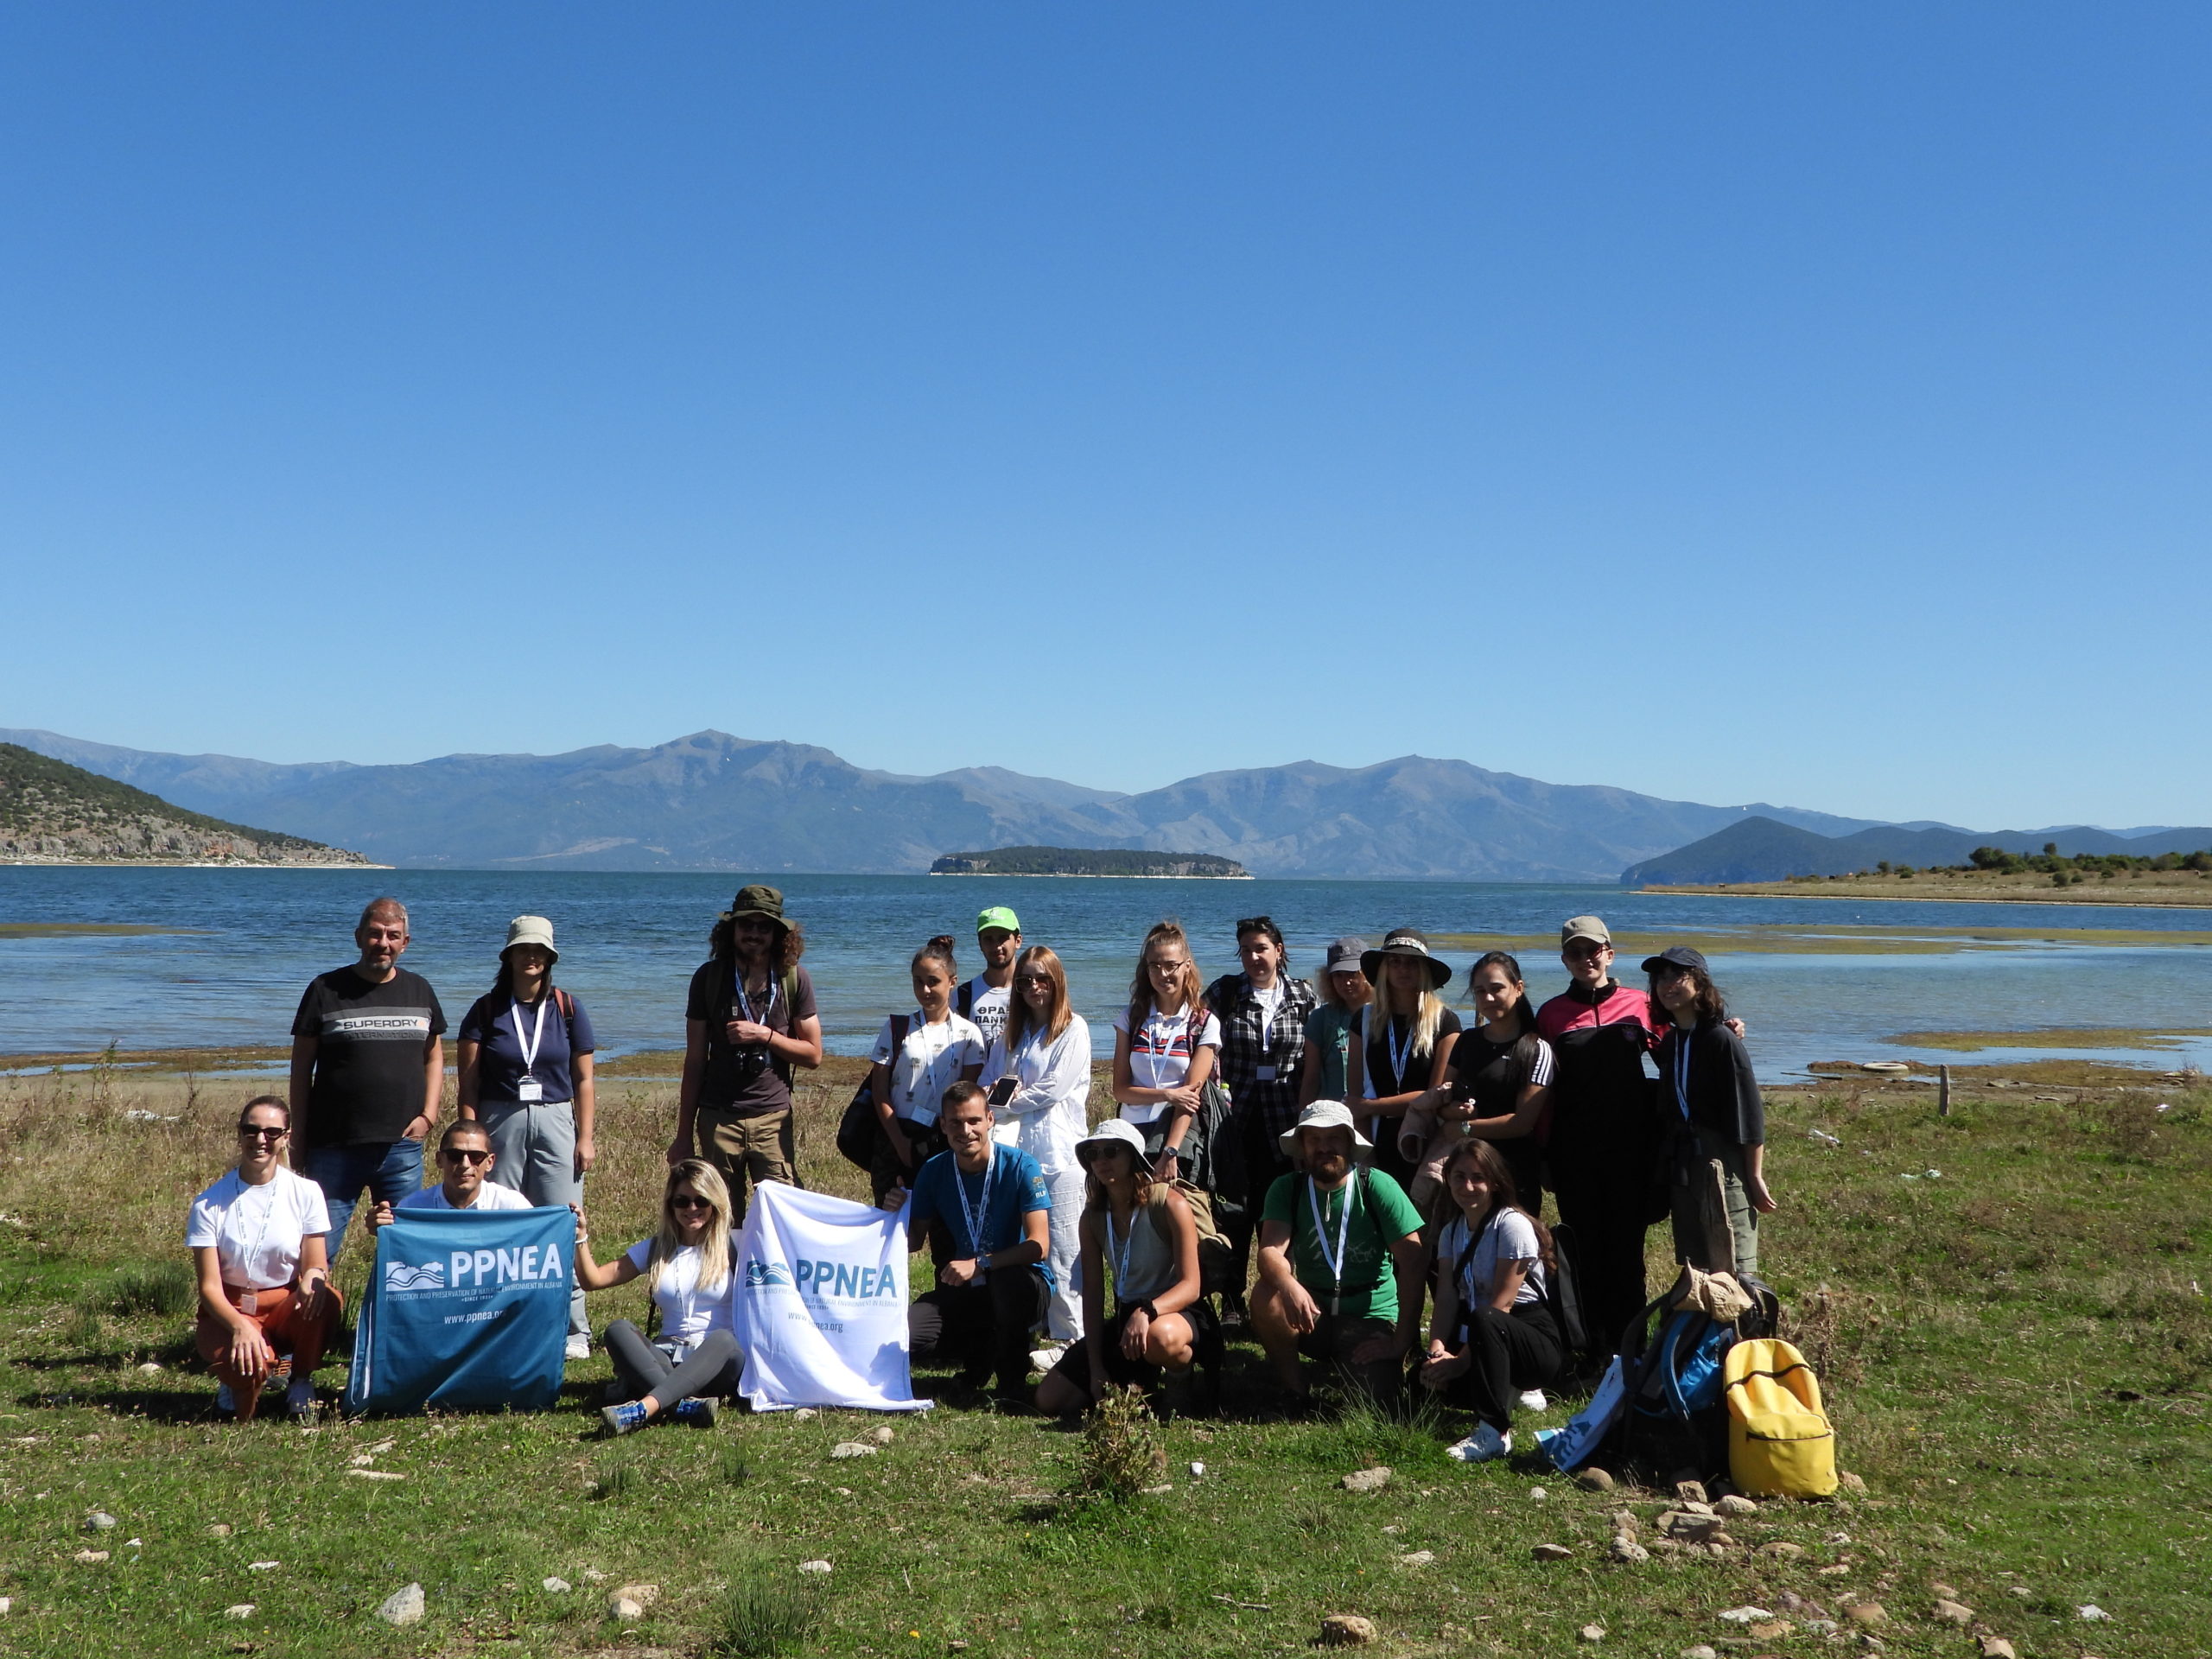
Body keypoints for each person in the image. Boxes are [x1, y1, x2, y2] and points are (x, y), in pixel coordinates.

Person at [457, 914, 597, 1357]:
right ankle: (496, 1322)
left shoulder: (569, 1008)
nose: (532, 956)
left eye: (540, 950)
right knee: (498, 1222)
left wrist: (586, 1136)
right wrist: (469, 1141)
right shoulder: (484, 1010)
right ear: (510, 955)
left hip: (557, 1118)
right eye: (524, 949)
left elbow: (585, 1081)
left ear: (550, 957)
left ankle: (574, 1329)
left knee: (562, 1219)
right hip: (499, 1121)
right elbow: (469, 1085)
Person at [289, 897, 447, 1259]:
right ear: (358, 937)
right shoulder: (324, 989)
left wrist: (429, 1114)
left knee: (406, 1253)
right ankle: (315, 1315)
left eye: (393, 936)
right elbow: (301, 1067)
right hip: (333, 1146)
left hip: (402, 1147)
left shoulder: (420, 990)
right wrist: (298, 1134)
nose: (384, 943)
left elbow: (434, 1055)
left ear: (405, 942)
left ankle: (392, 1318)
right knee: (316, 1251)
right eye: (375, 934)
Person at [1535, 915, 1663, 1357]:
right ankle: (1589, 1349)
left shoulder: (1641, 1003)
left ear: (1609, 953)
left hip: (1630, 1151)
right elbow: (1543, 1091)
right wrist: (1545, 1153)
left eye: (1593, 950)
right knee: (1583, 1253)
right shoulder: (1551, 1014)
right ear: (1564, 959)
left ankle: (1631, 1352)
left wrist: (1724, 1028)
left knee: (1627, 1254)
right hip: (1574, 1154)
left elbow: (1677, 1051)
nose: (1585, 958)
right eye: (1575, 951)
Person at [1250, 1101, 1426, 1407]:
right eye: (1314, 1139)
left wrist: (1401, 1342)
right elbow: (1268, 1253)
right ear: (1302, 1146)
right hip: (1311, 1311)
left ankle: (1364, 1365)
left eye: (1334, 1138)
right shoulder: (1287, 1188)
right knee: (1267, 1294)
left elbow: (1413, 1262)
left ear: (1349, 1143)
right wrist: (1290, 1286)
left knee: (1375, 1402)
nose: (1324, 1147)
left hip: (1369, 1316)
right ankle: (1296, 1390)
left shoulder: (1378, 1186)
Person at [671, 886, 824, 1223]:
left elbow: (813, 1055)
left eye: (763, 927)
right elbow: (695, 1061)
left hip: (772, 1118)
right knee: (720, 1218)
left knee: (780, 1214)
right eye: (746, 926)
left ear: (778, 934)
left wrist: (765, 1035)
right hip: (717, 1118)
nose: (754, 934)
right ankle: (724, 1275)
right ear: (732, 930)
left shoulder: (794, 980)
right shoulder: (708, 979)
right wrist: (683, 1136)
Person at [894, 1082, 1052, 1404]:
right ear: (943, 1125)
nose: (965, 1131)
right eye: (955, 1122)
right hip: (967, 1287)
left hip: (1022, 1282)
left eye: (973, 1121)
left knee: (1006, 1286)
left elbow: (1039, 1246)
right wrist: (894, 1214)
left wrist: (981, 1263)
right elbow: (911, 1242)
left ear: (990, 1120)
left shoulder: (1022, 1166)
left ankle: (1011, 1382)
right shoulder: (933, 1171)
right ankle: (983, 1352)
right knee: (907, 1336)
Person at [186, 1096, 340, 1421]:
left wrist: (314, 1280)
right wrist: (240, 1326)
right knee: (250, 1372)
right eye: (251, 1131)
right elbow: (209, 1288)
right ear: (240, 1134)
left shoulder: (306, 1192)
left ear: (286, 1137)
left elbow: (315, 1262)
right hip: (230, 1308)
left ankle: (300, 1378)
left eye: (272, 1133)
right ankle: (240, 1377)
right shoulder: (208, 1203)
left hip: (283, 1304)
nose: (260, 1140)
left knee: (325, 1297)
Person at [1035, 1120, 1203, 1415]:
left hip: (1177, 1314)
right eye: (1093, 1155)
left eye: (1111, 1151)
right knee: (1049, 1399)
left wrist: (1147, 1310)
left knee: (1161, 1338)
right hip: (1128, 1318)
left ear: (1133, 1157)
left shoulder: (1169, 1204)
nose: (1101, 1161)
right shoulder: (1093, 1217)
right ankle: (1133, 1389)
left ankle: (1180, 1382)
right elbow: (1093, 1292)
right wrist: (1096, 1365)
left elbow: (1192, 1286)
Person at [1418, 1138, 1564, 1462]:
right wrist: (1437, 1349)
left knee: (1486, 1317)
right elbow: (1445, 1299)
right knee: (1420, 1379)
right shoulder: (1451, 1232)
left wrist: (1459, 1362)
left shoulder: (1511, 1225)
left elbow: (1503, 1306)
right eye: (1459, 1176)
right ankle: (1500, 1390)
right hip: (1482, 1333)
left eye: (1478, 1177)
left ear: (1495, 1183)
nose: (1467, 1186)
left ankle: (1493, 1432)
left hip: (1529, 1336)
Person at [574, 1161, 741, 1434]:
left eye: (701, 1200)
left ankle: (644, 1409)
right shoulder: (658, 1247)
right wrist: (581, 1237)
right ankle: (683, 1405)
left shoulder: (736, 1244)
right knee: (618, 1330)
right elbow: (593, 1280)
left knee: (724, 1340)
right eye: (682, 1201)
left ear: (715, 1202)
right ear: (670, 1205)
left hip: (718, 1362)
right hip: (668, 1358)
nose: (691, 1209)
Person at [1205, 916, 1316, 1324]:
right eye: (1247, 950)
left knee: (1284, 1213)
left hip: (1286, 1121)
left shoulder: (1303, 996)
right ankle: (1232, 1301)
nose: (1254, 957)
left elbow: (1315, 1057)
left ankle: (1283, 1298)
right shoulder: (1226, 992)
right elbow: (1200, 1039)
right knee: (1235, 1212)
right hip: (1238, 1120)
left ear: (1279, 951)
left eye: (1261, 949)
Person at [980, 944, 1091, 1344]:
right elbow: (989, 1079)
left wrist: (1004, 1103)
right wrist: (992, 1095)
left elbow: (1051, 1090)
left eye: (1042, 978)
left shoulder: (1073, 1029)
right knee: (1020, 1244)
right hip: (1016, 1154)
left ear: (1056, 980)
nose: (1033, 987)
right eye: (1025, 980)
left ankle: (1070, 1338)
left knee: (1063, 1249)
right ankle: (1029, 1325)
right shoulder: (1014, 1032)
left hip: (1059, 1155)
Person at [1645, 947, 1775, 1275]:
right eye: (1661, 978)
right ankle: (1703, 1326)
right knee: (1696, 1266)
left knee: (1734, 1265)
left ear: (1700, 984)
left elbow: (1748, 1112)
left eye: (1678, 975)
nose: (1667, 984)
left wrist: (1755, 1176)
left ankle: (1745, 1327)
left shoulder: (1721, 1039)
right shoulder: (1672, 1041)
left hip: (1722, 1161)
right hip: (1684, 1163)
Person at [1402, 951, 1554, 1215]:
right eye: (1480, 991)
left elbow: (1521, 1123)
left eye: (1497, 989)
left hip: (1512, 1173)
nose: (1488, 998)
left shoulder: (1537, 1049)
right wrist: (1453, 1114)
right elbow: (1442, 1103)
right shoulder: (1467, 1041)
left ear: (1518, 989)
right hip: (1464, 1175)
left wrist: (1465, 1127)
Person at [868, 936, 990, 1205]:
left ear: (952, 982)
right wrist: (899, 1141)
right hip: (895, 1134)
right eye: (917, 981)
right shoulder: (896, 1027)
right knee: (890, 1221)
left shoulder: (969, 1034)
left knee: (943, 1225)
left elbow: (968, 1094)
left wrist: (951, 1136)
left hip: (943, 1137)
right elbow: (880, 1091)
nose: (924, 989)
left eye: (933, 981)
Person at [1345, 929, 1461, 1190]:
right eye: (1394, 962)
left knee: (1425, 1225)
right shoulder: (1363, 1020)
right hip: (1375, 1137)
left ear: (1424, 970)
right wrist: (1366, 1156)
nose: (1402, 969)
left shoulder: (1445, 1021)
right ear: (1384, 969)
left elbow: (1435, 1096)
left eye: (1411, 963)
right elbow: (1355, 1100)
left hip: (1423, 1139)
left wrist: (1371, 1106)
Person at [1109, 920, 1223, 1181]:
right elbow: (1120, 1090)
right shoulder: (1131, 1018)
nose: (1163, 974)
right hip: (1132, 1134)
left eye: (1171, 965)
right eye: (1155, 966)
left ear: (1187, 966)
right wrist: (1169, 1095)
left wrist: (1170, 1152)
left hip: (1179, 1136)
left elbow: (1191, 1098)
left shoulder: (1203, 1023)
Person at [369, 1118, 534, 1225]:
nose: (465, 1164)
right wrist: (382, 1228)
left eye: (476, 1156)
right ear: (439, 1160)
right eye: (455, 1156)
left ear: (489, 1162)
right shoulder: (414, 1208)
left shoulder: (512, 1207)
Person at [1298, 937, 1371, 1108]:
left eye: (1352, 974)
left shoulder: (1384, 1015)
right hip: (1332, 1115)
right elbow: (1311, 1078)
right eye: (1338, 975)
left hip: (1375, 1111)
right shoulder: (1321, 1018)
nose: (1346, 982)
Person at [957, 906, 1023, 1056]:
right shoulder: (963, 996)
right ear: (980, 944)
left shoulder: (1031, 991)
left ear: (1018, 941)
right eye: (989, 939)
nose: (996, 946)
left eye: (1003, 938)